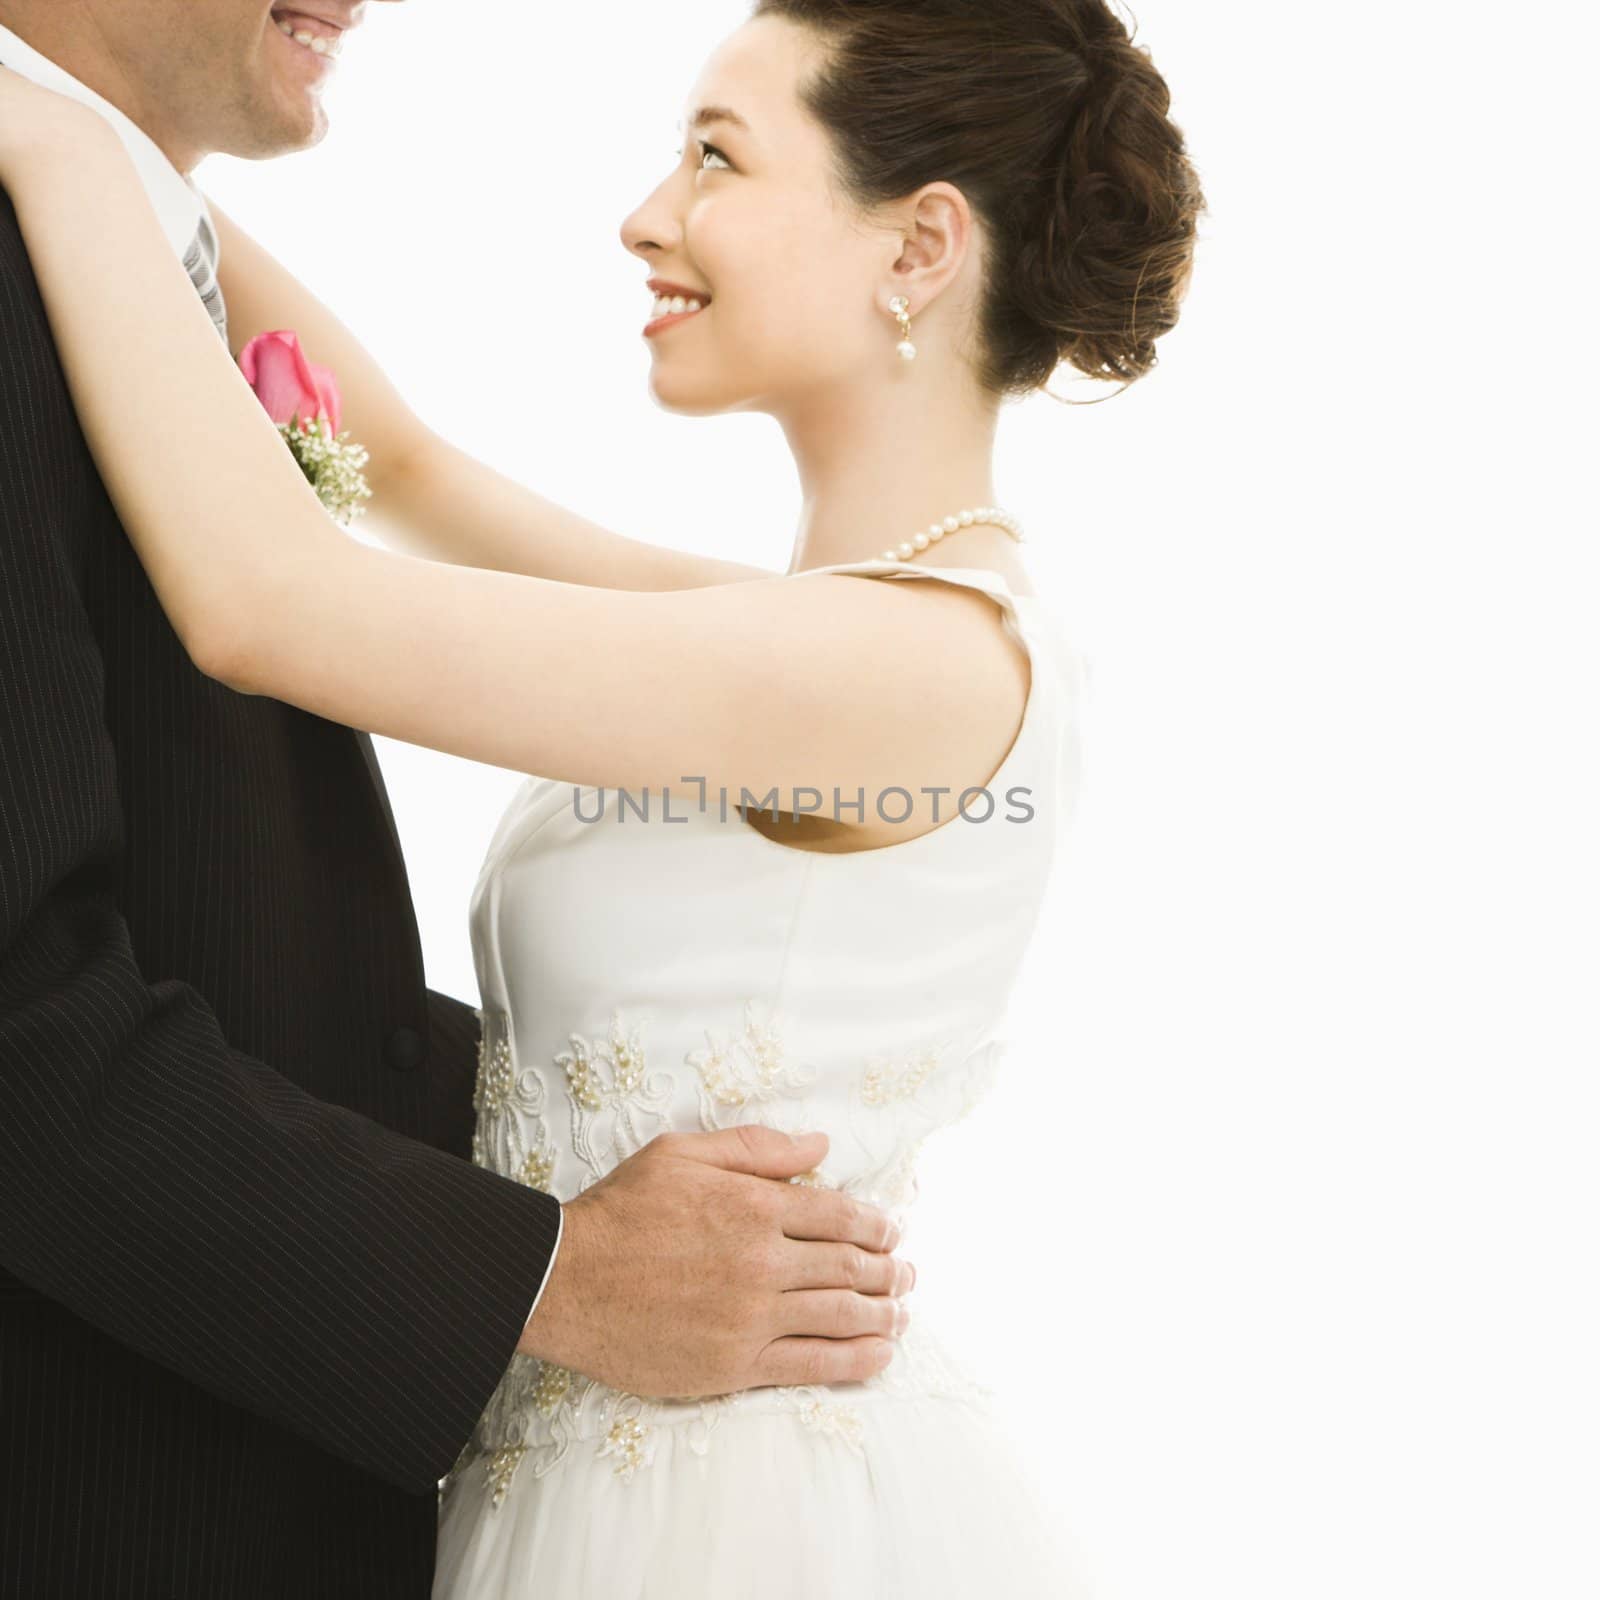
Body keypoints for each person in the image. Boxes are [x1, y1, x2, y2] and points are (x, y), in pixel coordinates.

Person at [0, 0, 1204, 1592]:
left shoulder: (908, 670)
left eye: (717, 156)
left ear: (918, 250)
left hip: (720, 1506)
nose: (649, 214)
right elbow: (410, 471)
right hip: (560, 1455)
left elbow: (269, 604)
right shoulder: (813, 631)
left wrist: (40, 129)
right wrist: (119, 141)